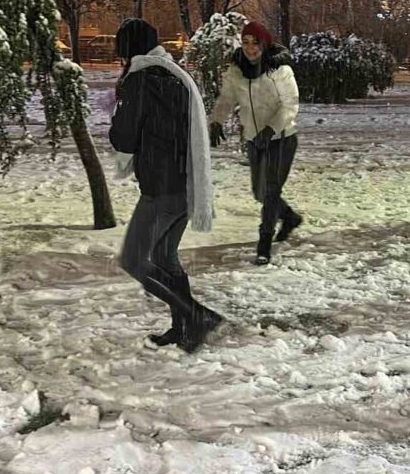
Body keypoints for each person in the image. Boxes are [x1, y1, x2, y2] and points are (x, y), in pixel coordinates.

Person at [109, 18, 223, 353]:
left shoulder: (141, 81)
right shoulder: (174, 76)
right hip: (186, 184)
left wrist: (116, 115)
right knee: (164, 256)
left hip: (161, 188)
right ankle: (183, 327)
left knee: (133, 260)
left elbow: (124, 136)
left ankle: (195, 315)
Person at [209, 21, 302, 266]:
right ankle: (290, 217)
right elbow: (227, 98)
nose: (251, 48)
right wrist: (217, 121)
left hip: (281, 138)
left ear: (265, 43)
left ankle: (264, 244)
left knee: (271, 191)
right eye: (246, 42)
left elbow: (290, 105)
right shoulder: (236, 70)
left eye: (255, 43)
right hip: (253, 138)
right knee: (259, 192)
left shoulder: (280, 70)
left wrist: (271, 129)